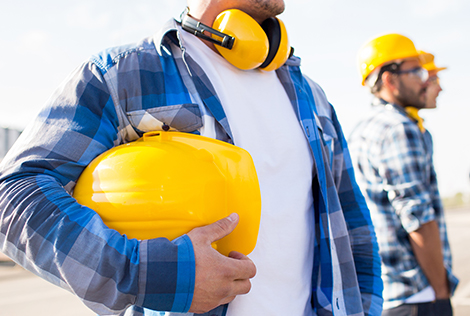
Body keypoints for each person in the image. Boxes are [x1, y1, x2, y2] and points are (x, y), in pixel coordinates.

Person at [0, 1, 383, 315]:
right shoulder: (123, 75)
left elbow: (353, 225)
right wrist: (151, 274)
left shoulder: (311, 96)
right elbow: (14, 196)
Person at [348, 33, 459, 316]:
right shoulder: (399, 128)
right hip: (416, 293)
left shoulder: (364, 127)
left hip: (385, 292)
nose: (426, 80)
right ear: (389, 79)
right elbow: (418, 217)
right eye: (417, 71)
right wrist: (441, 291)